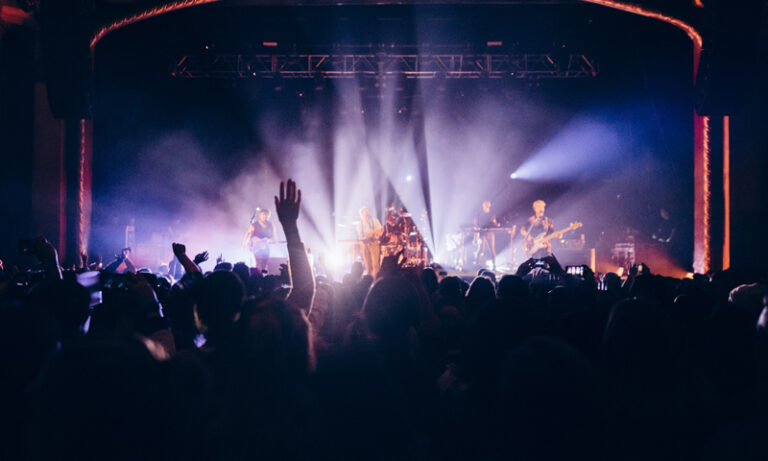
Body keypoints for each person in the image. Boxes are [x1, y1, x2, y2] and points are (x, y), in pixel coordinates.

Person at [242, 208, 278, 272]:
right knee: (258, 262)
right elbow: (247, 234)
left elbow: (274, 235)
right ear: (260, 215)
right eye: (263, 214)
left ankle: (263, 276)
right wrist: (244, 243)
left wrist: (277, 243)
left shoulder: (271, 224)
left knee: (265, 262)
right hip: (256, 246)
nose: (264, 216)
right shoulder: (255, 224)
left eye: (266, 215)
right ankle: (258, 276)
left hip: (266, 246)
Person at [356, 206, 382, 277]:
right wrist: (369, 235)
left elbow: (380, 231)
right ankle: (369, 280)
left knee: (375, 264)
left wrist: (373, 233)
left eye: (367, 212)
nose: (366, 215)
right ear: (361, 215)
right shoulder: (359, 224)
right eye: (364, 213)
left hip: (374, 244)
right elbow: (360, 236)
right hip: (365, 245)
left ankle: (376, 279)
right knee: (368, 265)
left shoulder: (375, 221)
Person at [474, 200, 500, 270]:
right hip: (482, 232)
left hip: (490, 231)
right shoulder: (479, 213)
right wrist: (475, 234)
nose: (488, 206)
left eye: (488, 205)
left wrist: (496, 224)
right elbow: (475, 224)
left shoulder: (491, 213)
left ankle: (494, 265)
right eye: (486, 204)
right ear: (483, 205)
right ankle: (477, 264)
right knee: (482, 248)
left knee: (492, 249)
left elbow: (494, 221)